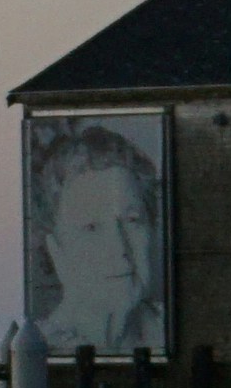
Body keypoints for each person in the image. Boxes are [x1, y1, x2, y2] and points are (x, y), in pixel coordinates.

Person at [28, 122, 166, 353]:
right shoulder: (40, 350)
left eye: (133, 221)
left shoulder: (176, 331)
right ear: (56, 250)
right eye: (91, 227)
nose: (119, 246)